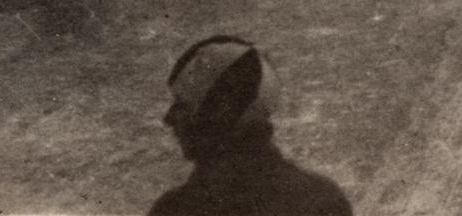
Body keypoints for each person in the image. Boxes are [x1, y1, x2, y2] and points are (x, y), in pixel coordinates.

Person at [150, 36, 352, 216]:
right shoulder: (322, 199)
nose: (169, 118)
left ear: (221, 113)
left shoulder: (176, 210)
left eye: (183, 105)